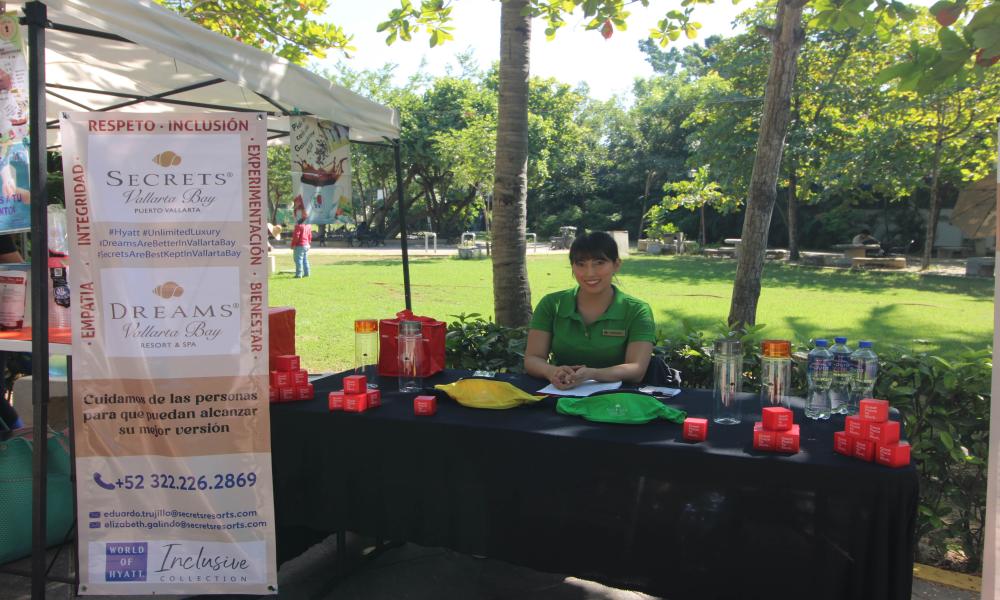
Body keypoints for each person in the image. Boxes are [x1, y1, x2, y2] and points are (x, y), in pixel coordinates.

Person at [524, 231, 655, 390]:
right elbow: (532, 358)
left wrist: (592, 374)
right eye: (581, 264)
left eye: (599, 262)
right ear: (572, 266)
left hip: (618, 402)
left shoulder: (637, 310)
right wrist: (551, 372)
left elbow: (636, 370)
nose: (589, 273)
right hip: (561, 394)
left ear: (616, 265)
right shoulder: (552, 304)